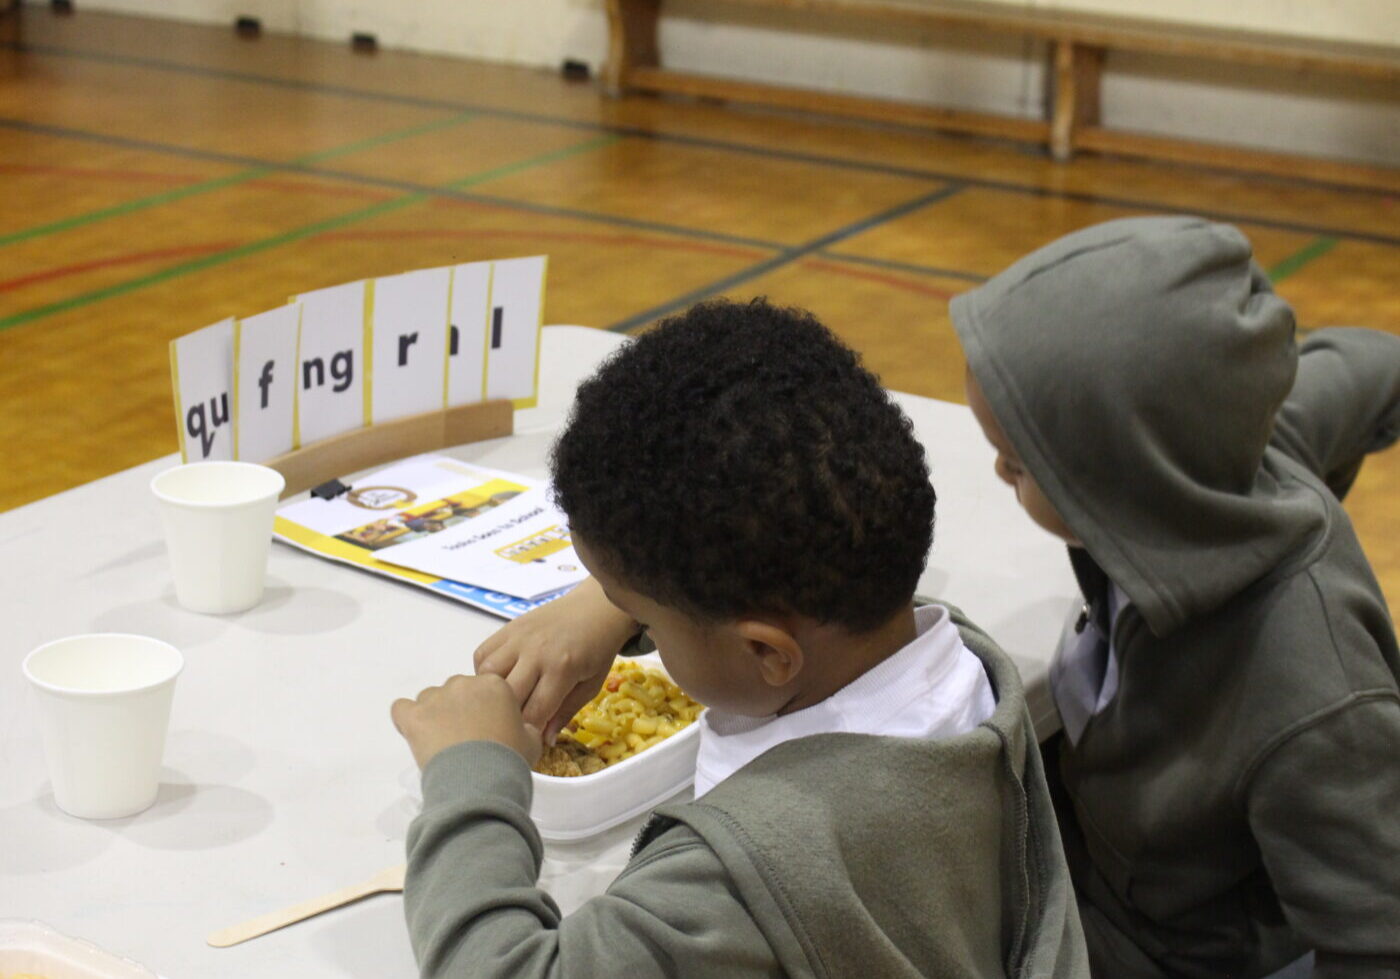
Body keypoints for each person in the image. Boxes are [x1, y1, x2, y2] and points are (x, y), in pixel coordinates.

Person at [391, 298, 1089, 978]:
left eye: (642, 613)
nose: (625, 616)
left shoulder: (739, 880)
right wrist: (619, 607)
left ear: (766, 653)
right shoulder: (954, 661)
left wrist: (470, 775)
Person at [949, 216, 1400, 978]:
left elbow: (1379, 940)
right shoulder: (1231, 450)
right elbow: (1372, 363)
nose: (998, 476)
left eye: (1019, 464)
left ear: (1126, 476)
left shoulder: (1310, 696)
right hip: (1100, 875)